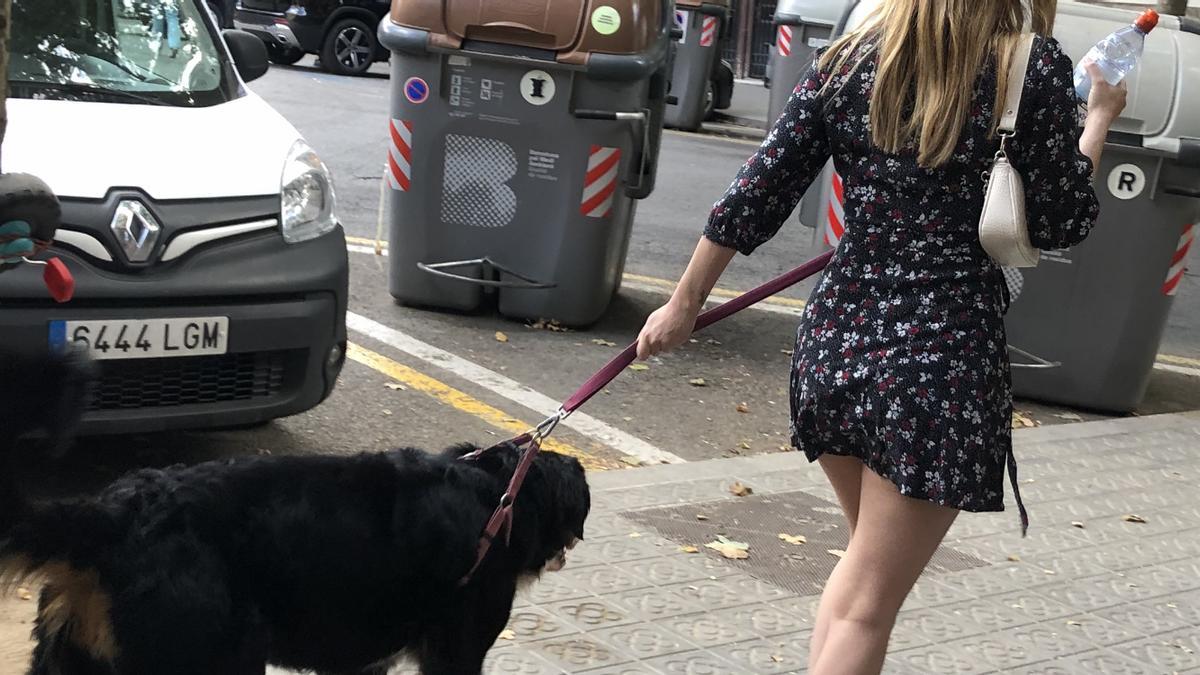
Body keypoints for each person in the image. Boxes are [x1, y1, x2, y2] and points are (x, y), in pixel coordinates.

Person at [635, 1, 1128, 673]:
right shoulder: (1028, 66)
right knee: (867, 600)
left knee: (859, 582)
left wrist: (683, 303)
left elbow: (757, 191)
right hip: (938, 367)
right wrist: (1098, 116)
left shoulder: (848, 59)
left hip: (836, 348)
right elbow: (1064, 217)